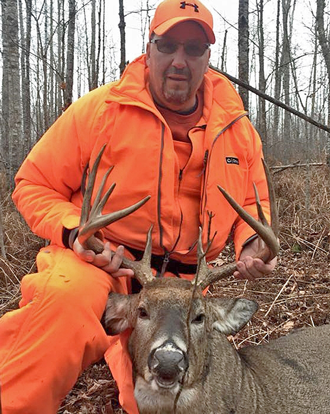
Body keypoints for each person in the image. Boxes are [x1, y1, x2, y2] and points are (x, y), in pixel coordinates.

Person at [0, 0, 277, 413]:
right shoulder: (100, 111)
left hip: (181, 287)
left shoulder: (236, 129)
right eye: (167, 46)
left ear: (208, 58)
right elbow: (32, 184)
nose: (179, 61)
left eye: (193, 48)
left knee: (155, 398)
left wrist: (251, 241)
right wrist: (77, 231)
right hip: (100, 265)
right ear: (149, 49)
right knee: (61, 310)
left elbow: (251, 204)